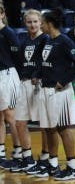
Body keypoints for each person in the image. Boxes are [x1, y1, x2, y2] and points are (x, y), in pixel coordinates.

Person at [35, 9, 75, 180]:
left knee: (63, 128)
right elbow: (45, 62)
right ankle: (53, 165)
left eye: (42, 22)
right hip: (46, 89)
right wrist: (38, 75)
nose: (40, 25)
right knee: (49, 128)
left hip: (60, 92)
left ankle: (72, 167)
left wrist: (63, 81)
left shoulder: (65, 41)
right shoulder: (48, 40)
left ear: (49, 23)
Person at [12, 10, 45, 173]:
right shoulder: (24, 41)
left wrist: (39, 75)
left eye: (35, 21)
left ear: (41, 22)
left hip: (39, 85)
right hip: (23, 84)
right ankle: (28, 157)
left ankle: (46, 158)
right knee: (20, 122)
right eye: (29, 22)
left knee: (44, 124)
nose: (32, 25)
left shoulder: (45, 39)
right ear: (25, 24)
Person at [0, 5, 22, 170]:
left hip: (8, 75)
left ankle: (19, 152)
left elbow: (18, 57)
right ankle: (0, 153)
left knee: (10, 116)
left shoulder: (9, 33)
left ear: (1, 13)